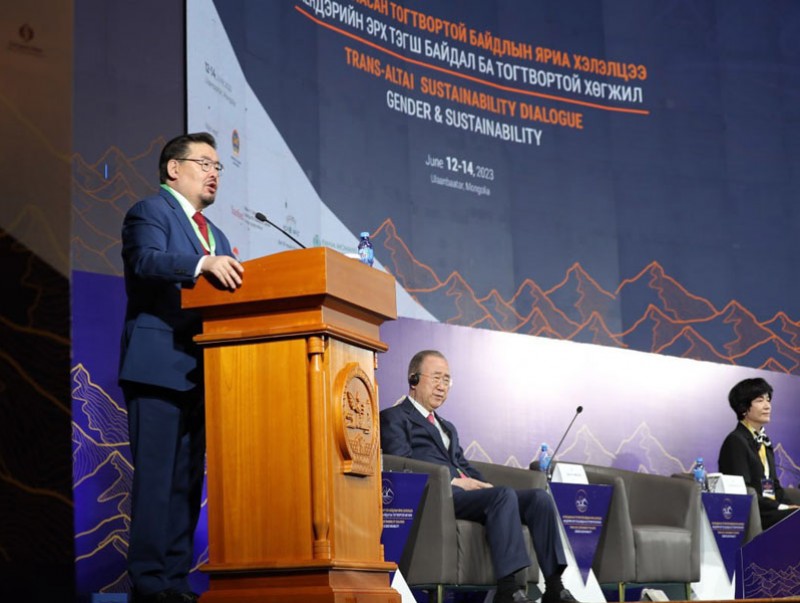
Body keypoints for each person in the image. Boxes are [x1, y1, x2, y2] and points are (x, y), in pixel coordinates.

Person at [119, 132, 245, 603]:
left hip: (202, 371)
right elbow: (146, 261)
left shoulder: (218, 235)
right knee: (156, 481)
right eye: (204, 163)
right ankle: (150, 584)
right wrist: (201, 264)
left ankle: (174, 581)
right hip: (157, 367)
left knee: (186, 485)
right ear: (174, 168)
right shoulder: (150, 212)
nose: (214, 173)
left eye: (218, 167)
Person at [380, 350, 578, 603]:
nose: (442, 387)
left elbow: (462, 464)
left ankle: (554, 587)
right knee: (503, 496)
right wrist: (452, 481)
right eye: (436, 378)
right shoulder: (395, 417)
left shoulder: (447, 426)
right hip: (436, 497)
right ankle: (507, 590)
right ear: (414, 379)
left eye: (447, 380)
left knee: (539, 499)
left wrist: (486, 486)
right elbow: (400, 466)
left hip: (464, 495)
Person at [718, 377, 799, 530]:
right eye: (760, 400)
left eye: (768, 400)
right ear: (743, 407)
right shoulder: (736, 441)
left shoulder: (765, 442)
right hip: (755, 513)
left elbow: (775, 486)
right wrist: (781, 507)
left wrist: (791, 506)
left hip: (772, 510)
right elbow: (744, 490)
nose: (767, 406)